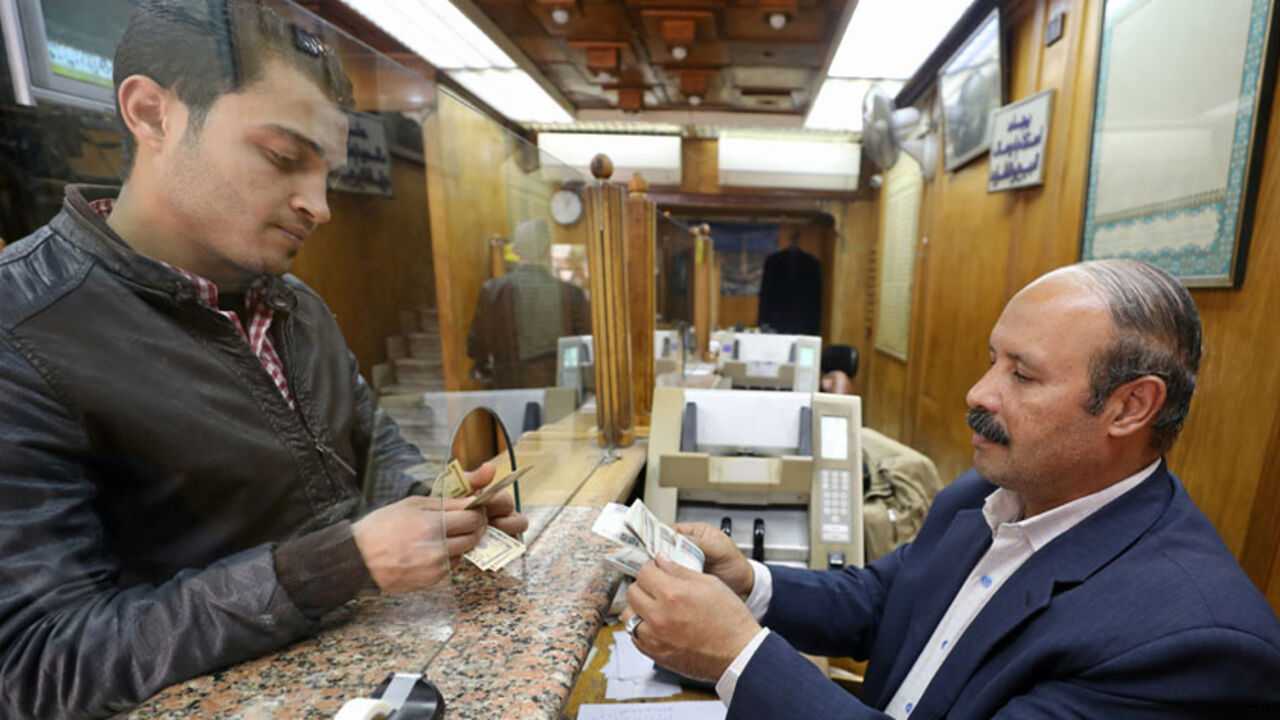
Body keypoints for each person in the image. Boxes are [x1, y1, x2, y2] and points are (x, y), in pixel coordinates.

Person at [0, 2, 526, 717]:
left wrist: (437, 511)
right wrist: (336, 564)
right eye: (283, 159)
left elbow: (374, 459)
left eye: (327, 173)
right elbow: (41, 667)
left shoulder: (298, 307)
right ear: (153, 114)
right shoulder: (22, 327)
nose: (319, 205)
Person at [622, 259, 1280, 718]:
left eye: (1022, 375)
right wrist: (753, 585)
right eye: (992, 358)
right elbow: (887, 601)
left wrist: (737, 654)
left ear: (1129, 408)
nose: (979, 392)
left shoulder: (1193, 645)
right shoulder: (984, 494)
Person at [467, 217, 590, 388]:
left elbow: (475, 347)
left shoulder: (492, 290)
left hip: (509, 389)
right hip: (559, 388)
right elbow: (584, 347)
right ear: (548, 250)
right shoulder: (571, 293)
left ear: (516, 250)